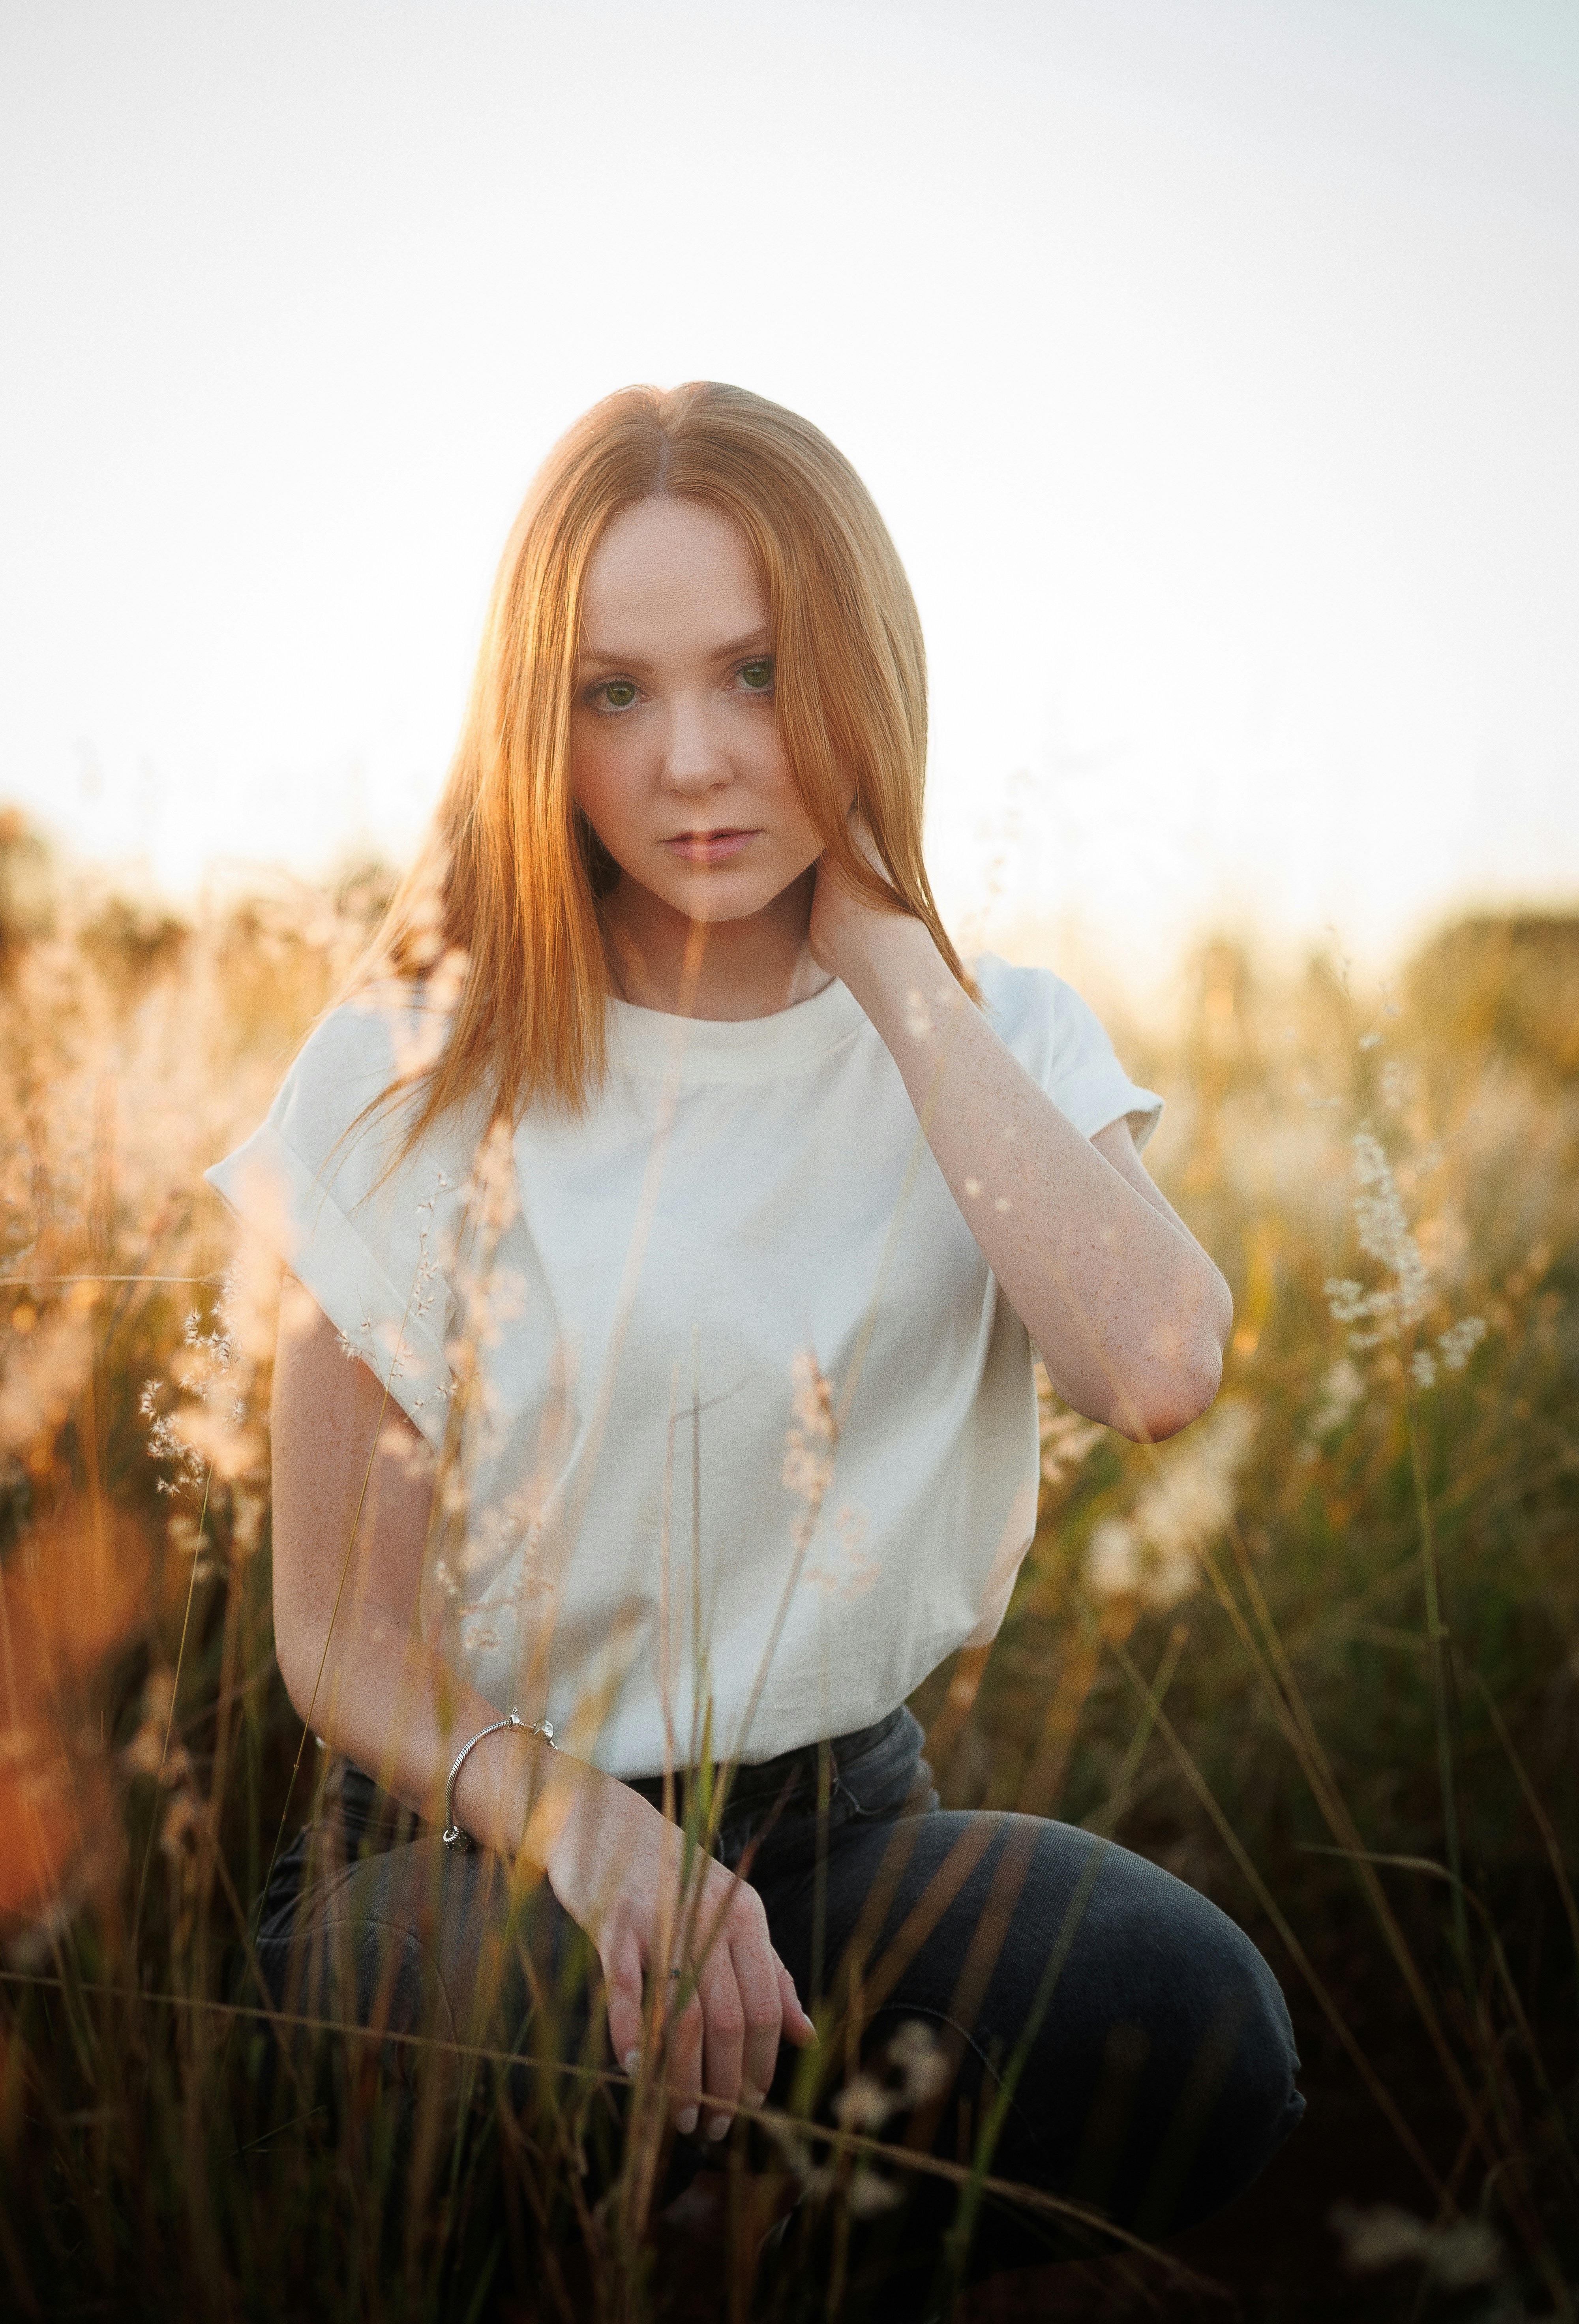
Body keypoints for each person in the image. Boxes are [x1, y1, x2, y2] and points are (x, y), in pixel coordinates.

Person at [208, 382, 1302, 2315]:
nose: (695, 762)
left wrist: (884, 953)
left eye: (758, 674)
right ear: (535, 722)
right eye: (613, 692)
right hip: (468, 1848)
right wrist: (588, 1835)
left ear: (857, 676)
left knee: (1192, 2023)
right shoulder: (408, 1068)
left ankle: (782, 2257)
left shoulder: (995, 1046)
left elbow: (1154, 1363)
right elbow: (339, 1641)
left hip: (835, 1827)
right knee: (543, 2014)